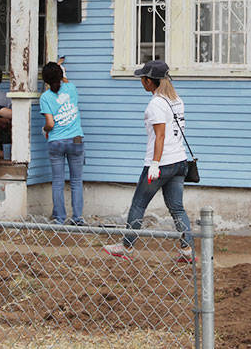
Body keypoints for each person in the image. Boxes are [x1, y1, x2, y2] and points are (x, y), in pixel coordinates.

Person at [103, 60, 193, 263]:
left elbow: (160, 136)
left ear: (150, 81)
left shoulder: (155, 104)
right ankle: (188, 250)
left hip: (161, 164)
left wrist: (154, 164)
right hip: (179, 161)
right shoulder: (177, 100)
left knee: (138, 205)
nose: (141, 82)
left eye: (143, 78)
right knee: (177, 208)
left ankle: (126, 247)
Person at [40, 61, 85, 225]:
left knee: (58, 181)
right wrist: (61, 70)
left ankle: (59, 219)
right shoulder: (71, 88)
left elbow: (50, 124)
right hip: (76, 140)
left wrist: (45, 129)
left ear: (45, 80)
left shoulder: (45, 97)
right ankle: (78, 218)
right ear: (61, 76)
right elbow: (64, 81)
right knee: (76, 181)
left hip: (56, 141)